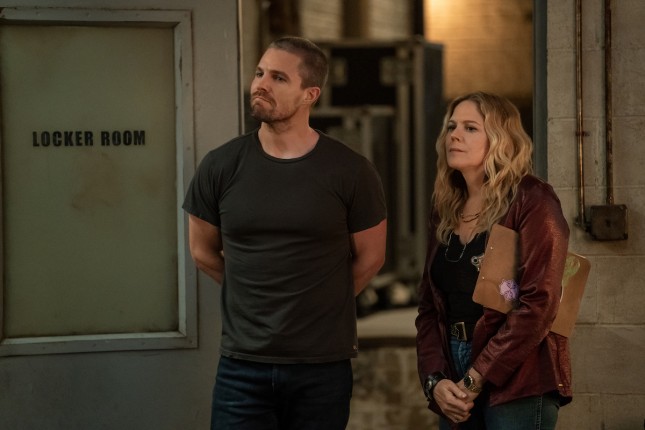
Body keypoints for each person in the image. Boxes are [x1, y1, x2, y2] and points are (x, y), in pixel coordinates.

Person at [183, 36, 387, 430]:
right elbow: (202, 250)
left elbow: (372, 257)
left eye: (278, 78)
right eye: (259, 73)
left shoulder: (351, 171)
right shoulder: (220, 166)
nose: (261, 84)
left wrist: (319, 303)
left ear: (310, 94)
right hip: (242, 367)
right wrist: (251, 293)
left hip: (321, 368)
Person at [415, 91, 570, 429]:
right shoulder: (445, 207)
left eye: (470, 128)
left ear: (501, 140)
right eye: (452, 126)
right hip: (452, 369)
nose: (454, 135)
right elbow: (428, 306)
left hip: (517, 374)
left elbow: (539, 303)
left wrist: (477, 375)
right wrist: (434, 379)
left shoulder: (532, 200)